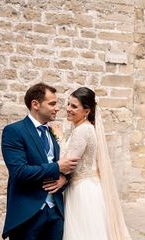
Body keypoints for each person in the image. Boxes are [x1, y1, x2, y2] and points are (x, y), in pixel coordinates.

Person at [1, 83, 79, 240]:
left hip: (56, 213)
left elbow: (67, 168)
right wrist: (56, 167)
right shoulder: (14, 131)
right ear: (35, 104)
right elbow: (19, 172)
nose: (57, 108)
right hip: (28, 214)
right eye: (52, 103)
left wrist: (64, 179)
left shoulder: (52, 133)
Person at [53, 87, 131, 240]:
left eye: (74, 106)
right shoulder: (85, 128)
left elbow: (68, 165)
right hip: (87, 186)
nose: (68, 109)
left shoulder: (83, 130)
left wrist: (59, 138)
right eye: (68, 104)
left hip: (82, 190)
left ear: (87, 111)